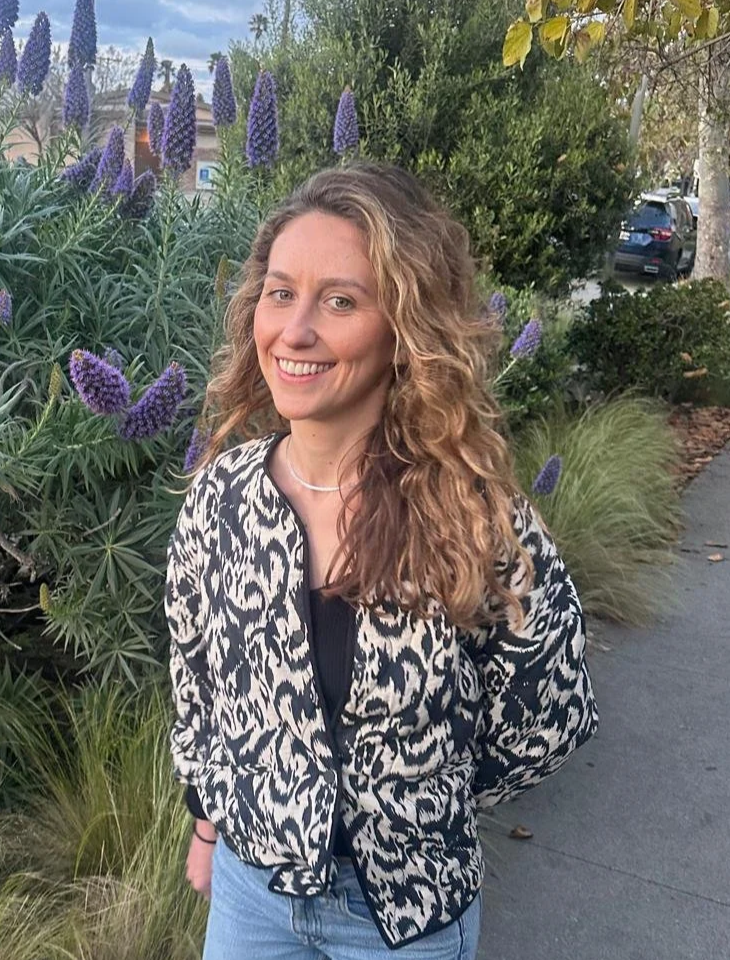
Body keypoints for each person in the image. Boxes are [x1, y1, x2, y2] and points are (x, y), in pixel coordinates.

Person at [166, 161, 598, 960]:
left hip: (404, 921)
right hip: (251, 894)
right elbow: (200, 684)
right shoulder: (221, 496)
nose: (295, 330)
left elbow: (547, 716)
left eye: (340, 300)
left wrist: (420, 805)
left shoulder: (472, 516)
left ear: (405, 326)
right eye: (280, 293)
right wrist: (209, 822)